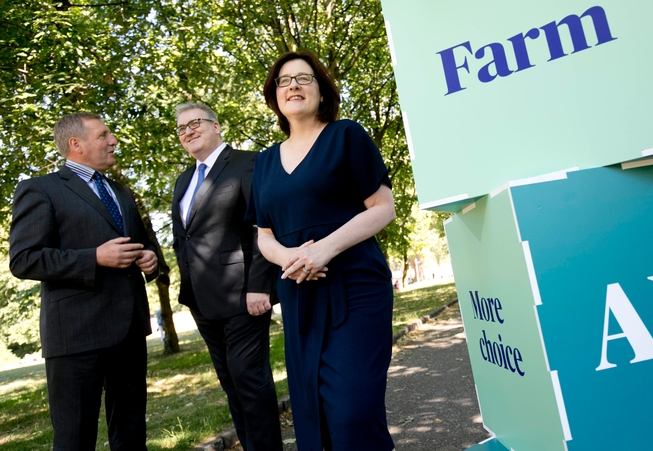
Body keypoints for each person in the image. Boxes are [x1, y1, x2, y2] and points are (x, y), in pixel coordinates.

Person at [249, 50, 397, 451]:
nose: (293, 86)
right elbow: (264, 235)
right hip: (299, 293)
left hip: (355, 287)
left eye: (304, 78)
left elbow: (384, 208)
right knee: (314, 414)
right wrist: (292, 259)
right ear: (274, 95)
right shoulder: (263, 164)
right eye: (284, 81)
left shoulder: (346, 135)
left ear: (321, 90)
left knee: (353, 413)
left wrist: (323, 251)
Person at [8, 112, 158, 450]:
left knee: (132, 435)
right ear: (76, 145)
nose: (113, 140)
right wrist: (94, 258)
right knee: (75, 439)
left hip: (129, 331)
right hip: (76, 336)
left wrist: (150, 259)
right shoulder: (39, 189)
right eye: (104, 134)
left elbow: (145, 243)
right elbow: (23, 259)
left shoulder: (121, 192)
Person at [171, 102, 283, 451]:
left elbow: (262, 227)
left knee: (251, 381)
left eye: (195, 123)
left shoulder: (249, 163)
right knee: (231, 384)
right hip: (201, 301)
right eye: (181, 128)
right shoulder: (184, 180)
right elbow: (184, 239)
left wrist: (260, 287)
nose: (188, 131)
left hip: (243, 297)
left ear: (216, 125)